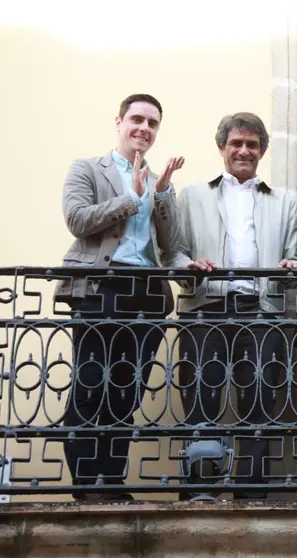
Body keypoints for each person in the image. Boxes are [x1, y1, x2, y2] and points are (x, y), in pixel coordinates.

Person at [167, 112, 297, 500]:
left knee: (259, 400)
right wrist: (187, 268)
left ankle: (251, 492)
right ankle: (198, 490)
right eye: (236, 144)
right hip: (204, 305)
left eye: (252, 145)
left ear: (261, 152)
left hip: (262, 310)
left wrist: (291, 267)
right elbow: (173, 250)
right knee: (201, 397)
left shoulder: (284, 201)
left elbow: (295, 256)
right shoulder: (192, 195)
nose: (244, 151)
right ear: (222, 149)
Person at [58, 93, 184, 502]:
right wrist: (130, 198)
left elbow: (170, 244)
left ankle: (110, 483)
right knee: (91, 383)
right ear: (119, 122)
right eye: (137, 119)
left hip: (146, 291)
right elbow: (77, 219)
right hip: (101, 286)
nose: (144, 128)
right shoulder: (87, 168)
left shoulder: (158, 179)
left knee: (126, 390)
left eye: (152, 123)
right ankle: (86, 485)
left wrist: (161, 195)